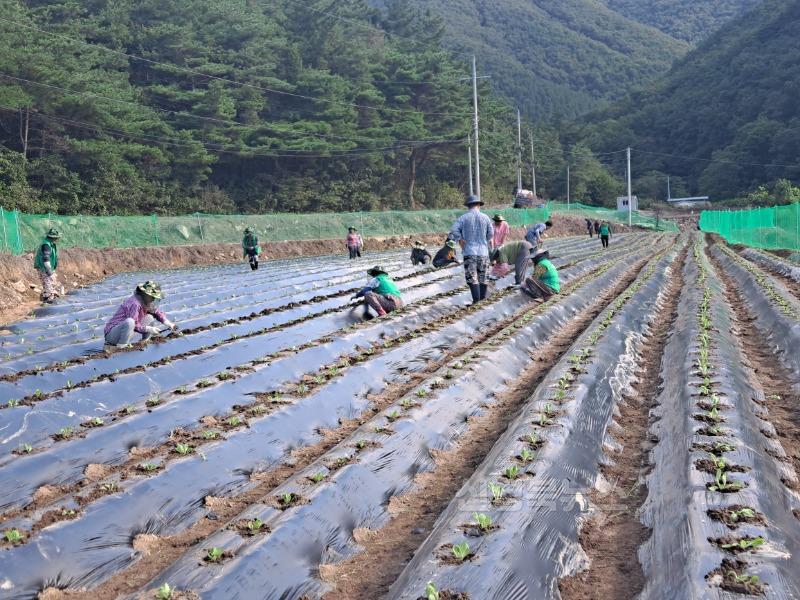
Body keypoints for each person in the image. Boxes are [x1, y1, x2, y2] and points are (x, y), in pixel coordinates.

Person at [449, 195, 494, 303]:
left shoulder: (463, 218)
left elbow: (454, 230)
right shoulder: (485, 217)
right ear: (478, 205)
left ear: (468, 206)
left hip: (469, 251)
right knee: (483, 277)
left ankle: (476, 301)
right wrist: (484, 240)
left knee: (472, 278)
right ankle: (482, 300)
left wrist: (460, 238)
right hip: (483, 252)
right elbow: (491, 233)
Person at [104, 281, 177, 347]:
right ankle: (121, 346)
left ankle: (144, 341)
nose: (153, 299)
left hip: (127, 333)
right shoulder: (134, 303)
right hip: (112, 335)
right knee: (130, 321)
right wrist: (149, 329)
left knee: (149, 317)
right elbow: (134, 324)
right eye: (152, 297)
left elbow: (156, 312)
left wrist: (168, 323)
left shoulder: (145, 302)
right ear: (146, 294)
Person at [33, 228, 61, 303]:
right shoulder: (46, 245)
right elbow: (46, 257)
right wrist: (48, 269)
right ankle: (48, 300)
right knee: (49, 285)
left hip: (46, 267)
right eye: (56, 237)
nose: (57, 239)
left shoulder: (50, 244)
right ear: (53, 237)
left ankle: (46, 298)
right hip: (44, 267)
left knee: (49, 284)